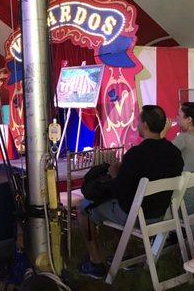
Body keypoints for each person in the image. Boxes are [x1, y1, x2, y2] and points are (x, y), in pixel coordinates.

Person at [77, 105, 183, 279]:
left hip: (136, 214)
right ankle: (123, 253)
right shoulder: (175, 153)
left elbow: (121, 192)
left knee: (83, 207)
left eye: (139, 122)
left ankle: (95, 262)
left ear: (146, 125)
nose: (137, 125)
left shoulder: (135, 154)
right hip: (162, 212)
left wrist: (113, 174)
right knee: (117, 204)